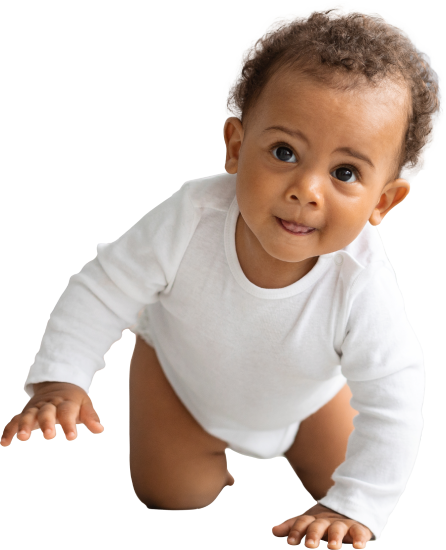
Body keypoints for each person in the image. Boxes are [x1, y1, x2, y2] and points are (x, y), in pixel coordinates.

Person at [1, 3, 441, 548]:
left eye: (344, 172)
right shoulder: (194, 215)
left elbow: (395, 397)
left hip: (307, 400)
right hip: (182, 381)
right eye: (284, 152)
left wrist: (358, 506)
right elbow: (103, 287)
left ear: (384, 201)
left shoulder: (362, 282)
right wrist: (60, 379)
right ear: (235, 145)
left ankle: (317, 459)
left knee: (346, 490)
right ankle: (198, 443)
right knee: (174, 496)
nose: (307, 189)